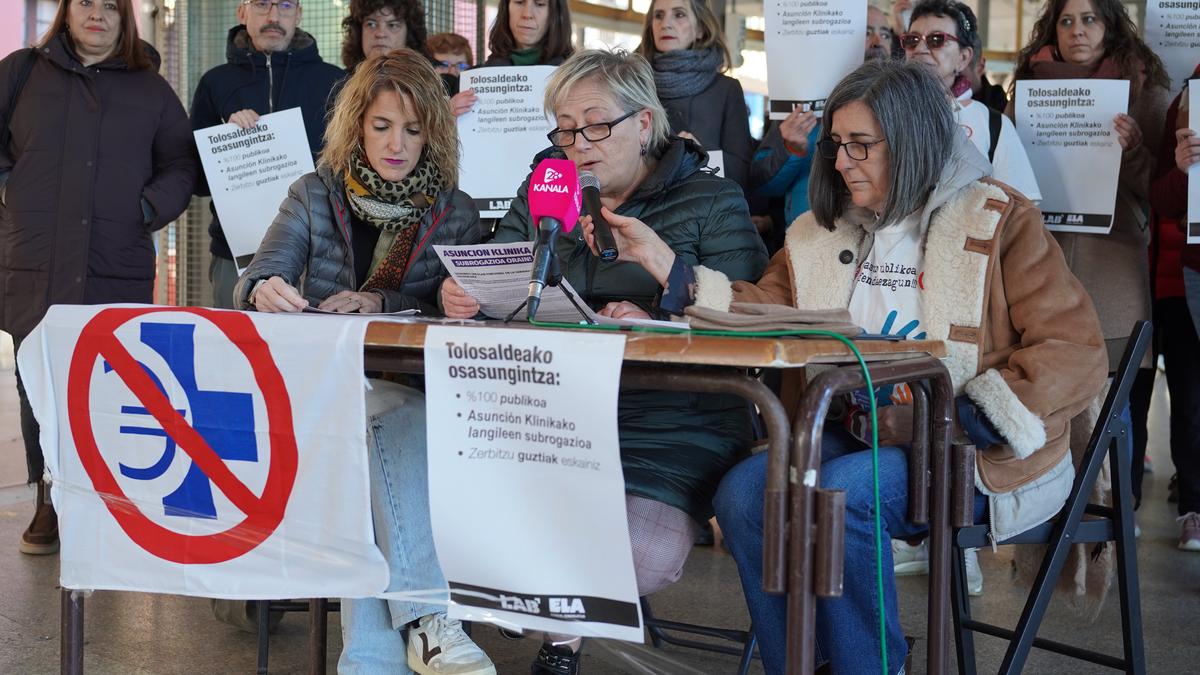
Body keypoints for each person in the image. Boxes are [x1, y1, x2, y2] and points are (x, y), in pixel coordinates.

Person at [582, 59, 1107, 674]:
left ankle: (873, 667)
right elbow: (764, 308)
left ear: (912, 142)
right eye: (836, 144)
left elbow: (1074, 348)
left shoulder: (999, 219)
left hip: (973, 448)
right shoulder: (818, 233)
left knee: (844, 493)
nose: (841, 162)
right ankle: (802, 665)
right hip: (858, 432)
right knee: (745, 494)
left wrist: (974, 417)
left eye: (862, 145)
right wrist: (669, 267)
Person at [441, 48, 768, 674]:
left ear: (644, 124)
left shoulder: (713, 199)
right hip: (549, 411)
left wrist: (664, 305)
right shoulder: (543, 188)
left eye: (595, 125)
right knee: (453, 509)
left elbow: (750, 311)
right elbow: (499, 268)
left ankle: (548, 622)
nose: (578, 145)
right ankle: (558, 632)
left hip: (674, 421)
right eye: (565, 130)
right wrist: (462, 294)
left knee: (640, 550)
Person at [233, 50, 494, 675]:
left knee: (371, 456)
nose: (396, 144)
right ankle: (429, 620)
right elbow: (257, 276)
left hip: (417, 394)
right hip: (321, 392)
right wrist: (263, 288)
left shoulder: (454, 209)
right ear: (357, 126)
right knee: (388, 424)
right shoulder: (313, 193)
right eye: (381, 126)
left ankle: (368, 662)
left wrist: (387, 300)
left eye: (412, 129)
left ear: (433, 132)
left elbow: (451, 304)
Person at [0, 0, 197, 556]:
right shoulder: (21, 72)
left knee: (105, 385)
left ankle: (102, 503)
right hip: (35, 258)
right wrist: (9, 187)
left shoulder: (150, 89)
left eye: (110, 5)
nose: (97, 14)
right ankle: (48, 500)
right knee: (37, 384)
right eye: (86, 2)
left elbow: (181, 165)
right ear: (67, 12)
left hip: (113, 260)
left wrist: (145, 208)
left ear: (124, 18)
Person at [1008, 0, 1171, 510]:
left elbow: (1165, 191)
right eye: (1067, 20)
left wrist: (1135, 151)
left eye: (1090, 19)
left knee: (1118, 400)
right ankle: (1052, 508)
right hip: (1042, 268)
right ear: (1053, 30)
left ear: (1110, 25)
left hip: (1114, 267)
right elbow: (1009, 178)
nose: (1077, 30)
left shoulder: (1145, 88)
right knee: (1050, 394)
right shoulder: (1029, 89)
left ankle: (1119, 512)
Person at [189, 0, 344, 309]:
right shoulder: (215, 82)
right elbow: (197, 180)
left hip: (321, 252)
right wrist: (227, 143)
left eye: (285, 5)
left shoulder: (335, 81)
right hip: (237, 253)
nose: (274, 16)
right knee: (236, 337)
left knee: (316, 338)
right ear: (242, 12)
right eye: (262, 4)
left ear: (298, 14)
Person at [751, 4, 896, 245]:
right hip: (811, 241)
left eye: (885, 34)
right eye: (866, 32)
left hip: (881, 238)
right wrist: (790, 150)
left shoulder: (902, 106)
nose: (877, 41)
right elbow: (762, 184)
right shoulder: (802, 102)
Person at [905, 0, 1041, 201]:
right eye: (912, 40)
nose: (920, 48)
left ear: (963, 58)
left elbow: (1021, 205)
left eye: (936, 39)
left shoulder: (993, 124)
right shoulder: (881, 114)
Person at [1152, 67, 1200, 550]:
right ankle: (1194, 509)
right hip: (1189, 273)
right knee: (1188, 400)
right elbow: (1161, 198)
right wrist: (1183, 168)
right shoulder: (1188, 100)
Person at [635, 0, 752, 190]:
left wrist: (702, 156)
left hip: (706, 202)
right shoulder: (635, 86)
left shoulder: (726, 89)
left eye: (679, 14)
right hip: (643, 202)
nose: (666, 24)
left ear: (700, 29)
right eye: (658, 16)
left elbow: (741, 171)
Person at [340, 0, 431, 71]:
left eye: (392, 25)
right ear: (358, 32)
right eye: (371, 24)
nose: (380, 34)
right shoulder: (339, 84)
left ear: (409, 35)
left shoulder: (426, 83)